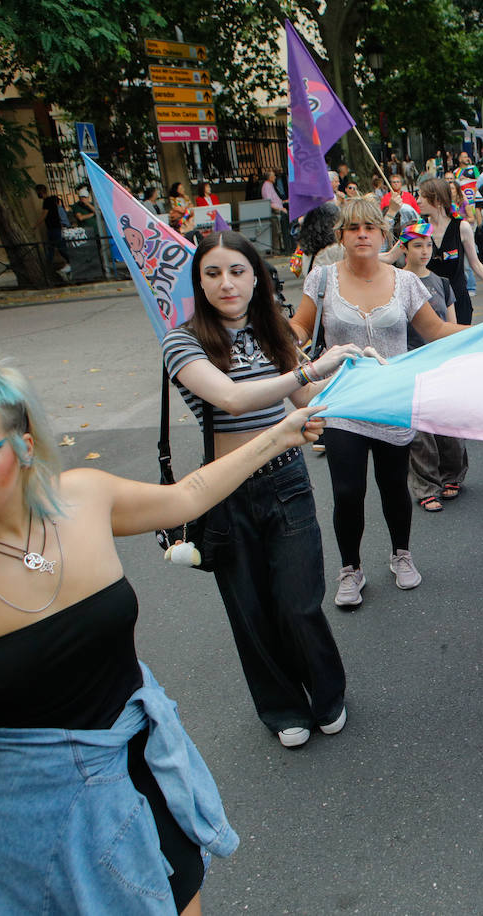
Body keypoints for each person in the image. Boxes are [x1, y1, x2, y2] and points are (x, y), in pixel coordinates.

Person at [0, 356, 327, 911]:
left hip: (139, 767)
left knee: (181, 900)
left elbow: (188, 496)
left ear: (25, 445)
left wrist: (280, 435)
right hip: (29, 814)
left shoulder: (82, 498)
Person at [163, 231, 354, 749]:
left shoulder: (276, 334)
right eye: (213, 273)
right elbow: (231, 399)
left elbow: (307, 397)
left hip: (287, 480)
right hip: (224, 491)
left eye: (238, 271)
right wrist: (310, 367)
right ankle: (282, 707)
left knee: (299, 603)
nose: (226, 283)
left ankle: (328, 692)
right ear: (199, 282)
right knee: (251, 611)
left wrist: (361, 373)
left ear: (256, 277)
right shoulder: (183, 342)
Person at [290, 198, 471, 608]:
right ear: (342, 235)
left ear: (383, 235)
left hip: (391, 400)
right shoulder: (321, 279)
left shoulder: (405, 282)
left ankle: (401, 554)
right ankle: (350, 569)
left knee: (393, 486)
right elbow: (301, 325)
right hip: (343, 400)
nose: (361, 234)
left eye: (369, 227)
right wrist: (289, 334)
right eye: (353, 228)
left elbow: (435, 329)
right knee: (348, 491)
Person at [395, 221, 468, 512]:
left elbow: (447, 325)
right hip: (410, 362)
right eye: (417, 245)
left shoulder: (441, 282)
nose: (424, 251)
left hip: (440, 361)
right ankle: (426, 485)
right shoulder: (395, 282)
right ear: (403, 248)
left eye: (428, 245)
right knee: (420, 430)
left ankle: (453, 474)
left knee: (448, 421)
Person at [410, 177, 483, 325]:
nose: (417, 201)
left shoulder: (461, 227)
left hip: (459, 300)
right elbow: (390, 256)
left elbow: (475, 263)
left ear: (437, 200)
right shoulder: (419, 229)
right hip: (430, 304)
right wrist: (391, 212)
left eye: (422, 196)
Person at [34, 184, 72, 277]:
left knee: (60, 248)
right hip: (54, 228)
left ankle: (71, 262)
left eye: (38, 192)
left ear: (41, 192)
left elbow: (44, 215)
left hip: (54, 229)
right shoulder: (52, 201)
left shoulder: (47, 201)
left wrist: (35, 225)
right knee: (52, 248)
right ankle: (48, 267)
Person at [261, 170, 291, 254]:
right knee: (278, 232)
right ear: (270, 177)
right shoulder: (267, 186)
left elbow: (275, 200)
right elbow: (270, 202)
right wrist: (281, 209)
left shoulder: (270, 185)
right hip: (276, 212)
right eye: (273, 176)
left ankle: (281, 248)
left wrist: (284, 201)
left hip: (279, 210)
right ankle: (278, 250)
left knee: (280, 231)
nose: (275, 177)